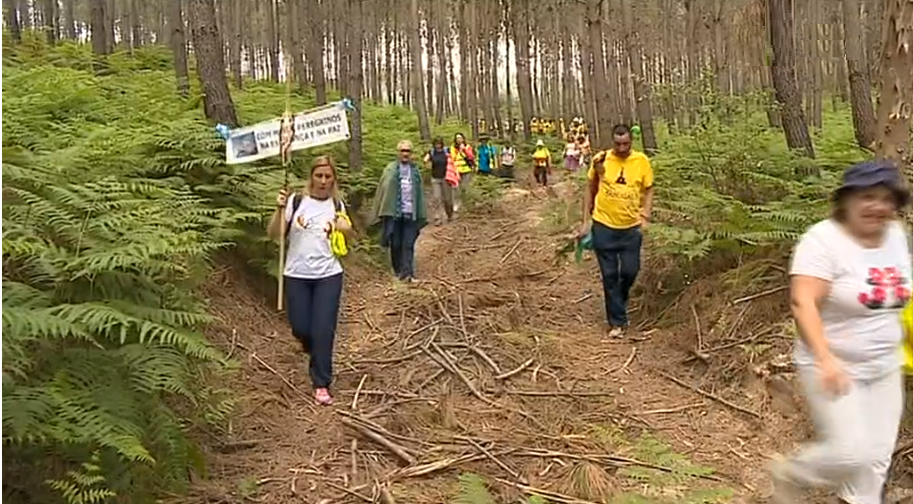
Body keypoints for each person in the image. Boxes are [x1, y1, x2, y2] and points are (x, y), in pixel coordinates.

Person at [770, 160, 910, 504]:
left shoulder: (896, 237)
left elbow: (899, 295)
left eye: (885, 198)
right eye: (867, 197)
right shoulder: (821, 241)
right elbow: (803, 302)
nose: (877, 206)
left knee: (876, 459)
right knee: (852, 453)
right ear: (846, 201)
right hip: (832, 364)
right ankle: (791, 471)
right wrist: (824, 358)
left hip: (885, 365)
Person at [267, 156, 353, 406]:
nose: (323, 181)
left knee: (323, 329)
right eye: (319, 176)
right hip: (296, 274)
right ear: (311, 177)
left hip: (329, 274)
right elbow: (274, 234)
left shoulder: (337, 205)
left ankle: (321, 383)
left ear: (334, 179)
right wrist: (279, 209)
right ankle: (312, 348)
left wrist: (345, 230)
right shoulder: (296, 202)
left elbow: (345, 242)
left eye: (328, 177)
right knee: (301, 328)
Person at [580, 124, 654, 338]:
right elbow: (590, 189)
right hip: (604, 225)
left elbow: (649, 189)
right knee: (609, 275)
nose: (622, 148)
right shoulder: (601, 160)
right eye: (618, 143)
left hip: (631, 228)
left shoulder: (641, 161)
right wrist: (586, 220)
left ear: (631, 141)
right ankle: (617, 323)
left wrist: (645, 215)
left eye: (626, 143)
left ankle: (618, 301)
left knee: (630, 271)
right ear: (612, 142)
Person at [370, 140, 427, 282]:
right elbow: (384, 190)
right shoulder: (390, 169)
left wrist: (420, 213)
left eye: (408, 151)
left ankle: (408, 274)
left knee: (408, 244)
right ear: (398, 153)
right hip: (394, 213)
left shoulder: (415, 171)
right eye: (403, 151)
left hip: (410, 213)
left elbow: (419, 194)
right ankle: (398, 271)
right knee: (395, 244)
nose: (405, 154)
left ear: (411, 154)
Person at [423, 137, 454, 225]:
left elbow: (453, 159)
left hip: (446, 178)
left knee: (447, 199)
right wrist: (426, 162)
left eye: (439, 143)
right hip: (435, 178)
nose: (438, 145)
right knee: (437, 198)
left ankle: (449, 214)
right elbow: (425, 160)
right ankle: (437, 217)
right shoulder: (432, 152)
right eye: (436, 144)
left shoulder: (446, 151)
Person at [450, 133, 475, 212]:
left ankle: (465, 204)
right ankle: (456, 203)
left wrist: (464, 150)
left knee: (464, 188)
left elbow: (471, 157)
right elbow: (452, 158)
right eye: (457, 138)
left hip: (466, 170)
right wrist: (459, 151)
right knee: (455, 188)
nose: (459, 140)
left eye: (460, 138)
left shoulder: (468, 146)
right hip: (456, 170)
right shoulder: (453, 148)